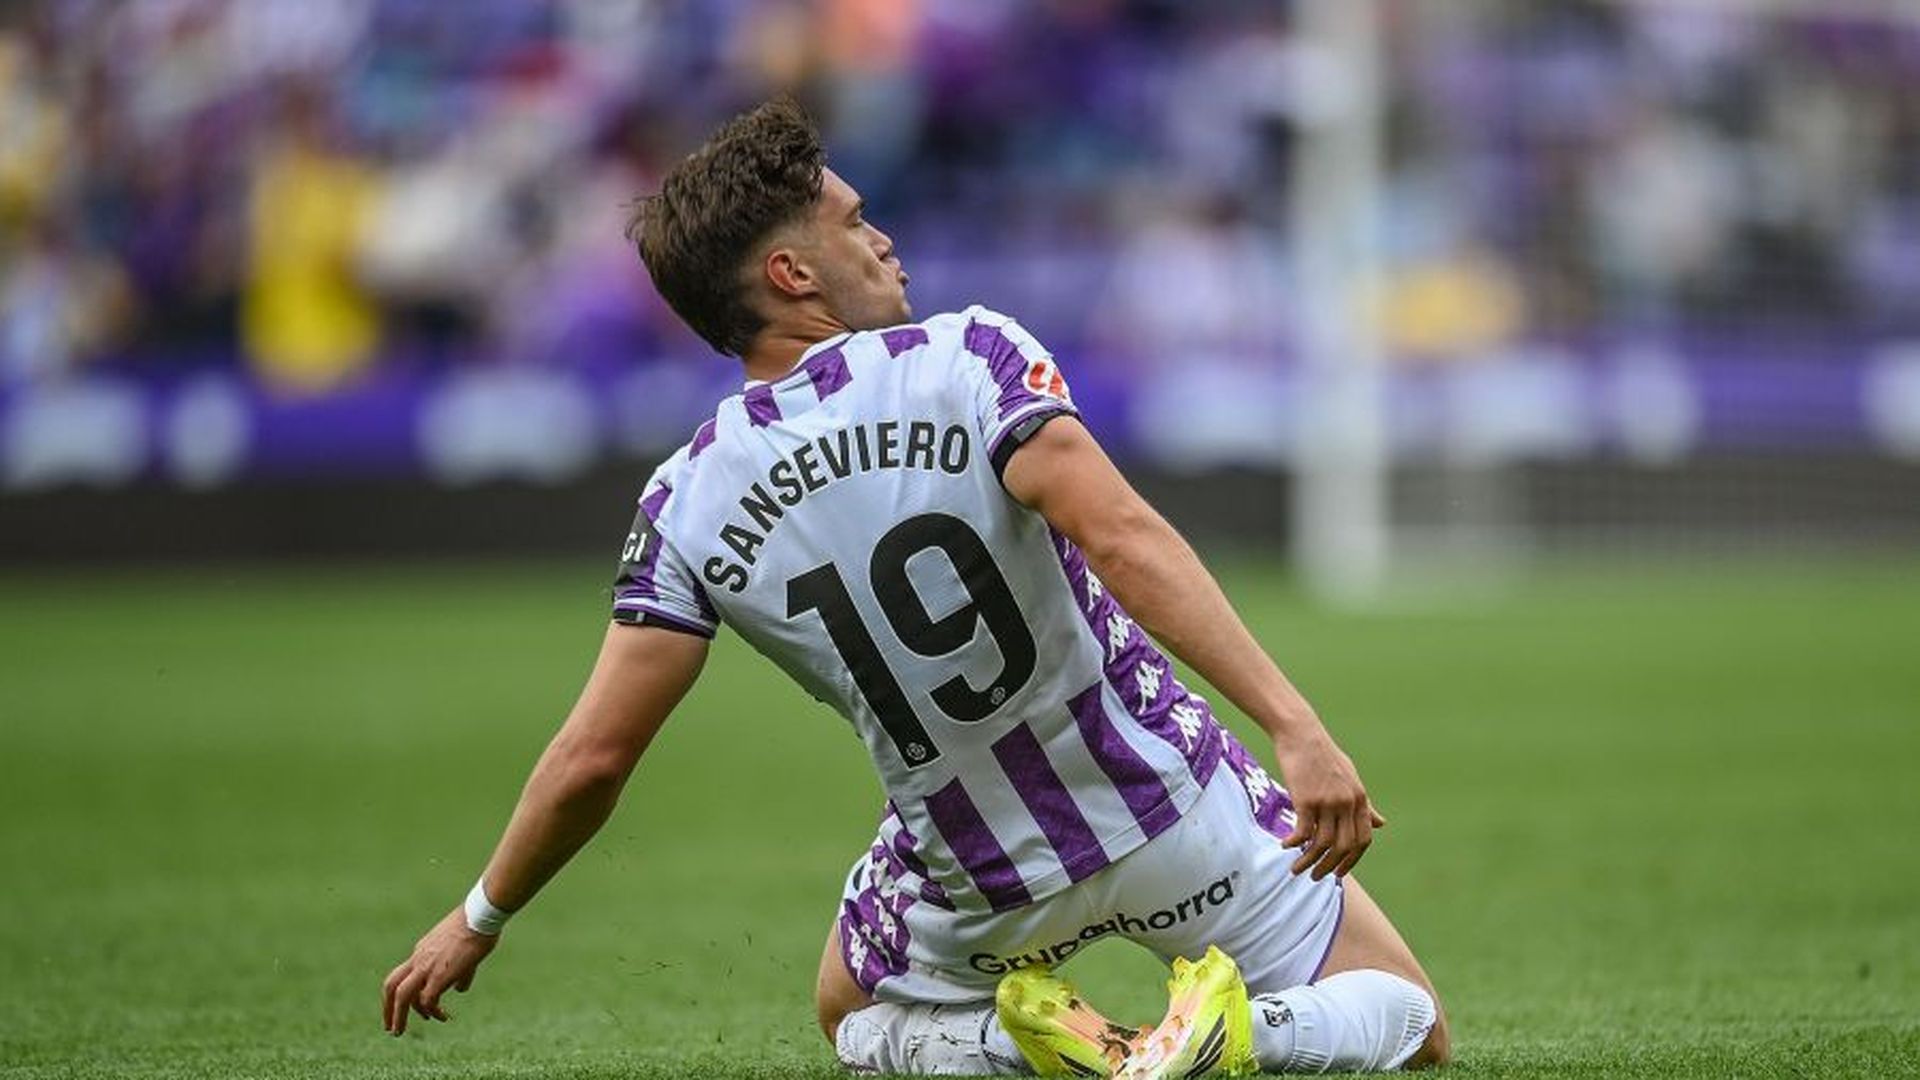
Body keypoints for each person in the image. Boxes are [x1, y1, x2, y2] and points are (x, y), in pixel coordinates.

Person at [380, 98, 1451, 1077]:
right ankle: (1248, 1039)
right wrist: (1294, 724)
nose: (881, 236)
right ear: (793, 276)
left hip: (976, 878)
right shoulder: (969, 358)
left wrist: (479, 916)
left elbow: (595, 759)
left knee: (850, 1014)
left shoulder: (685, 501)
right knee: (1408, 1019)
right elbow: (1122, 537)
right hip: (1166, 806)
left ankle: (1021, 1051)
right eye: (852, 222)